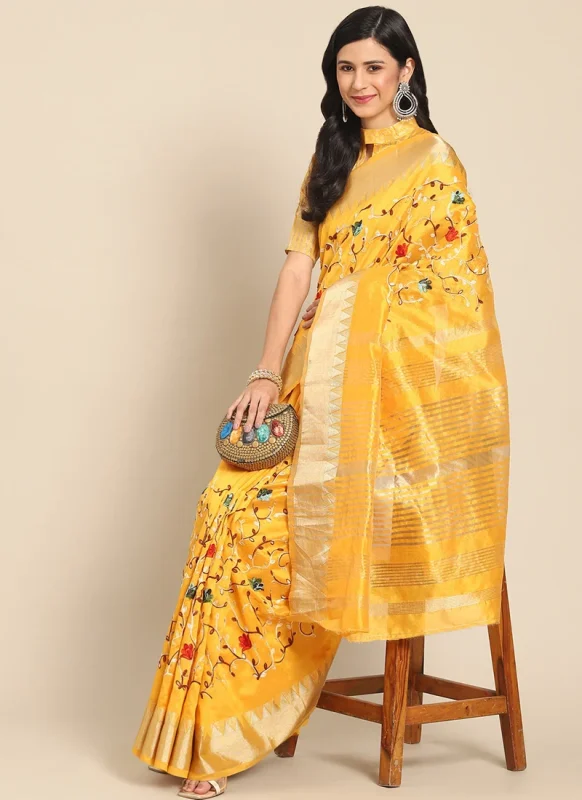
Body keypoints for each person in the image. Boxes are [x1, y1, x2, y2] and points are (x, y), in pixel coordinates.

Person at [132, 6, 510, 797]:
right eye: (346, 68)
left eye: (374, 67)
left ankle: (221, 744)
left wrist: (354, 310)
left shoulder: (433, 163)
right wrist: (266, 373)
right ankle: (208, 728)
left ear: (406, 72)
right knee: (226, 509)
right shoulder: (329, 159)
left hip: (391, 418)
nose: (359, 82)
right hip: (318, 390)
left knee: (277, 527)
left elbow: (457, 301)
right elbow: (297, 270)